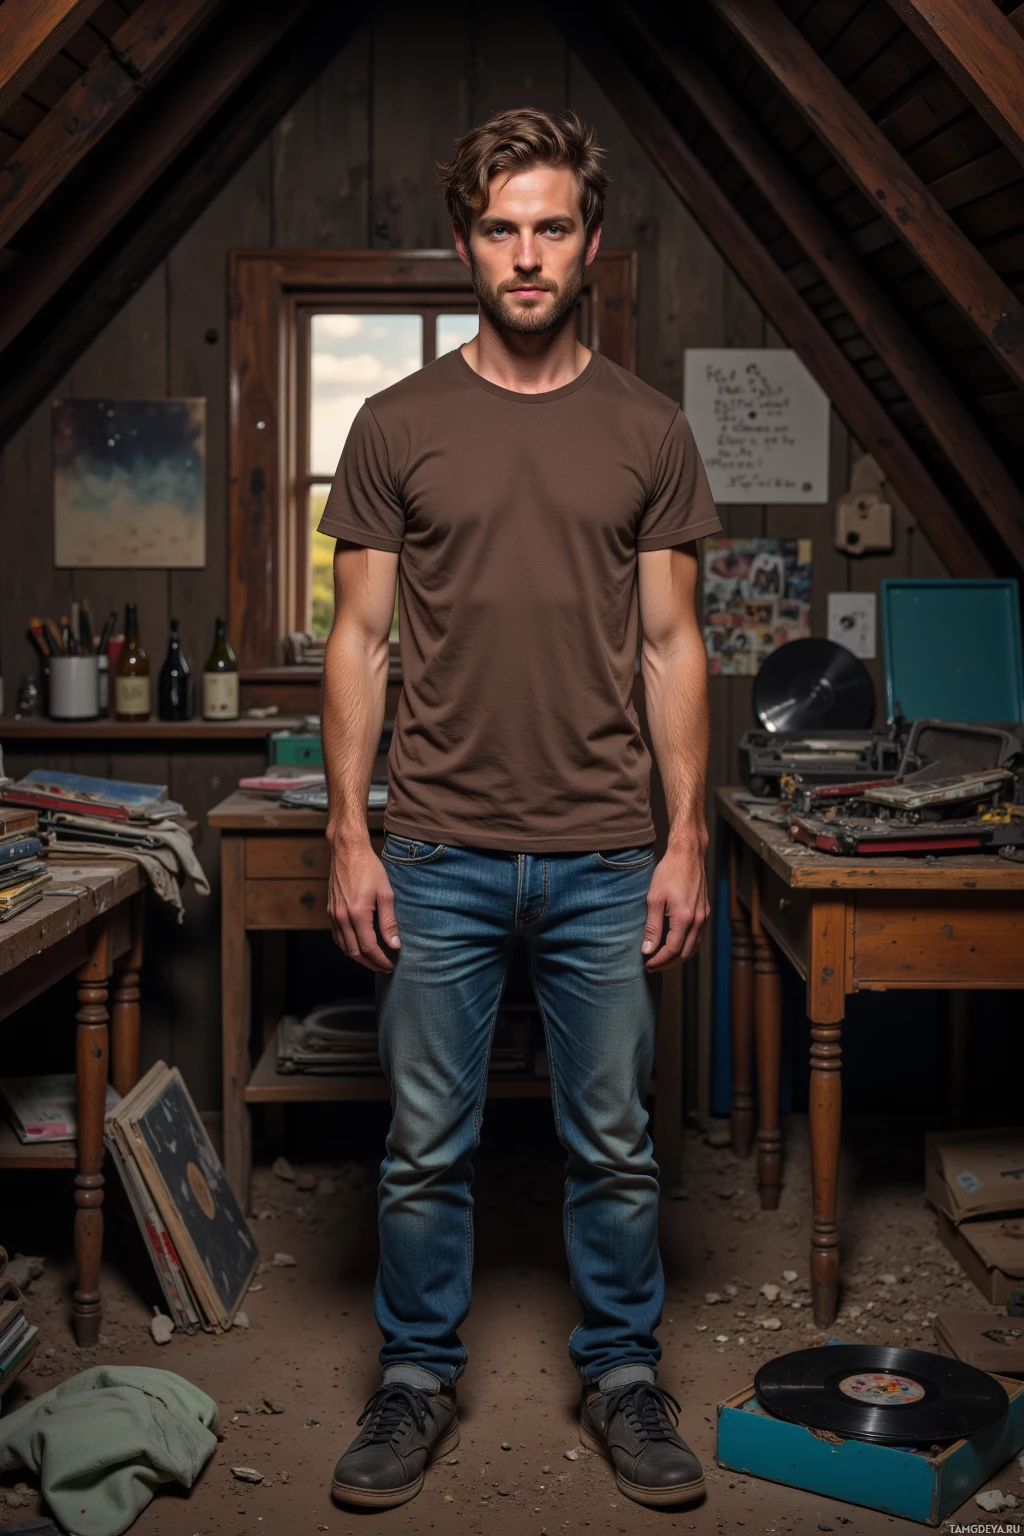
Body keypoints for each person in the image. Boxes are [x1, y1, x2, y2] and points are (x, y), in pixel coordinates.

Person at [317, 107, 722, 1512]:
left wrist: (687, 836)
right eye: (502, 228)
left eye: (552, 227)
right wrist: (350, 832)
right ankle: (416, 1379)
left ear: (590, 244)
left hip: (611, 856)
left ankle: (622, 1374)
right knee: (426, 1145)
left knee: (612, 1138)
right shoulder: (397, 423)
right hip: (434, 851)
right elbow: (358, 638)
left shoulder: (648, 430)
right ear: (465, 243)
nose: (528, 253)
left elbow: (676, 645)